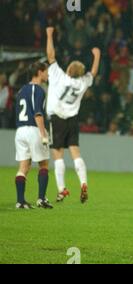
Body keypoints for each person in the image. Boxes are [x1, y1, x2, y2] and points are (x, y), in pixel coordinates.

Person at [46, 27, 101, 203]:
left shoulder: (59, 77)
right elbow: (92, 73)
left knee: (58, 154)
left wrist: (49, 35)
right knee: (76, 152)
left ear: (69, 70)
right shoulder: (83, 82)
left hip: (57, 118)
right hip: (72, 119)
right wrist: (97, 56)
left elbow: (51, 56)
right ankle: (83, 182)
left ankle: (62, 189)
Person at [14, 62, 52, 209]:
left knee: (23, 167)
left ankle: (20, 201)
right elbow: (38, 113)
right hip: (33, 129)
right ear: (40, 72)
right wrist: (43, 134)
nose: (47, 74)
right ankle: (41, 199)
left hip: (20, 131)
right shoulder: (39, 90)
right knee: (43, 164)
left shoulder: (21, 90)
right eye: (46, 71)